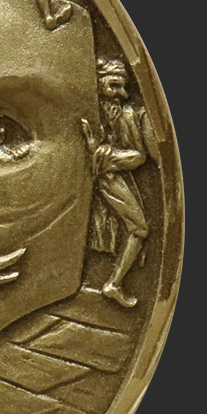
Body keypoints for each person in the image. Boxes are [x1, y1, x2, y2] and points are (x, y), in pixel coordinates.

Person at [81, 58, 153, 308]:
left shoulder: (126, 115)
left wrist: (105, 155)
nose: (121, 94)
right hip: (99, 177)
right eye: (114, 86)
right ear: (98, 84)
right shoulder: (89, 111)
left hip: (108, 175)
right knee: (139, 228)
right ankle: (113, 284)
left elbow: (139, 156)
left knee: (139, 229)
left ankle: (114, 283)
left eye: (123, 87)